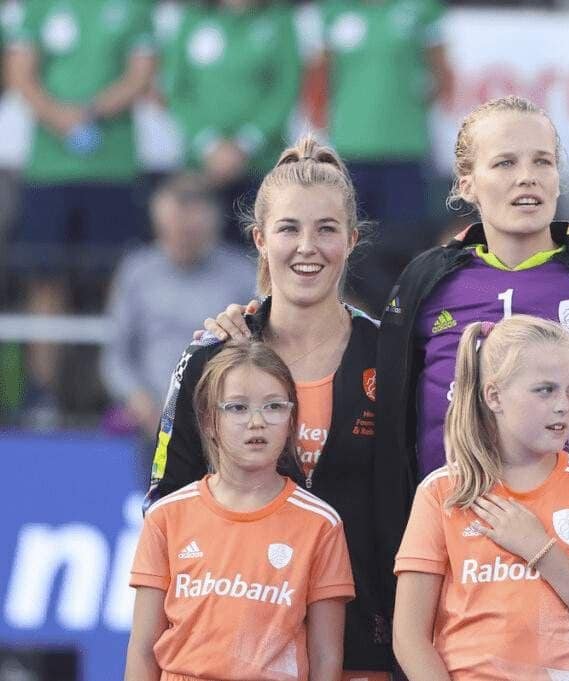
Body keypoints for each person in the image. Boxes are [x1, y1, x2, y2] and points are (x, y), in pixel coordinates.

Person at [372, 95, 569, 676]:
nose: (527, 178)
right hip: (458, 571)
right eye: (505, 163)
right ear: (467, 181)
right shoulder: (424, 282)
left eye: (542, 161)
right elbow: (382, 401)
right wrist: (253, 322)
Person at [146, 136, 392, 676]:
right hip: (234, 651)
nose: (308, 246)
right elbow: (167, 500)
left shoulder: (391, 355)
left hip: (360, 649)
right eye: (288, 229)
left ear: (351, 240)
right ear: (260, 239)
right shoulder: (213, 355)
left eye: (327, 229)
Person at [392, 316, 569, 679]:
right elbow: (409, 636)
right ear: (494, 395)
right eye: (545, 390)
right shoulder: (441, 492)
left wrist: (541, 551)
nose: (564, 405)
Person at [126, 341, 353, 680]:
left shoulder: (321, 525)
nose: (257, 422)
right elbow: (143, 649)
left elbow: (326, 658)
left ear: (291, 419)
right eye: (237, 408)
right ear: (208, 420)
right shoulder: (166, 517)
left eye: (274, 406)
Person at [4, 0, 156, 421]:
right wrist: (61, 117)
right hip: (48, 170)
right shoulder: (37, 7)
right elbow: (20, 73)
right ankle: (42, 396)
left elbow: (141, 74)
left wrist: (87, 112)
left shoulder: (133, 8)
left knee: (117, 283)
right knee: (44, 279)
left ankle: (119, 392)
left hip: (115, 169)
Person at [316, 0, 454, 310]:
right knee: (347, 252)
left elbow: (441, 74)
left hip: (405, 153)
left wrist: (401, 113)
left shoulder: (423, 8)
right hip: (350, 154)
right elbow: (320, 80)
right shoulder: (333, 10)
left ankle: (403, 330)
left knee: (406, 253)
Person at [101, 173, 255, 441]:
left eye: (191, 232)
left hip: (224, 417)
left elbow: (260, 350)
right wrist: (138, 398)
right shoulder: (137, 272)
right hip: (150, 417)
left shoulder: (242, 275)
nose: (182, 238)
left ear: (213, 225)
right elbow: (115, 355)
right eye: (172, 230)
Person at [160, 0, 302, 242]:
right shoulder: (192, 20)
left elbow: (285, 89)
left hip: (263, 165)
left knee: (262, 255)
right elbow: (176, 90)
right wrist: (210, 145)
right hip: (202, 166)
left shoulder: (279, 20)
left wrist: (245, 144)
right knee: (202, 256)